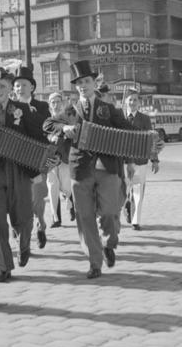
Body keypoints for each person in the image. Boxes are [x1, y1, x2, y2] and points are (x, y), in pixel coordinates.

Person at [64, 60, 134, 279]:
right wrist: (63, 127)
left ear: (94, 83)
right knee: (85, 217)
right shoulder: (70, 110)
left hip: (107, 168)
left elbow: (128, 131)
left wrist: (149, 141)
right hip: (80, 169)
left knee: (110, 213)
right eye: (79, 83)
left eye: (86, 81)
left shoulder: (108, 109)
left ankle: (109, 243)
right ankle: (95, 263)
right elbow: (49, 124)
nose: (83, 86)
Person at [0, 62, 44, 282]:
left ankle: (24, 245)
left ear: (9, 87)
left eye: (2, 86)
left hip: (19, 170)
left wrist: (41, 163)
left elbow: (37, 138)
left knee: (23, 217)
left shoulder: (23, 110)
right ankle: (4, 266)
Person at [12, 66, 50, 249]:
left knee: (36, 199)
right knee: (19, 201)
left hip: (37, 159)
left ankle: (41, 224)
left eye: (24, 85)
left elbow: (46, 128)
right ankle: (20, 234)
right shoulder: (10, 107)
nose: (20, 88)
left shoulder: (41, 107)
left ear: (32, 87)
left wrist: (28, 112)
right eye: (17, 85)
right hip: (17, 160)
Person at [123, 90, 161, 231]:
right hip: (123, 161)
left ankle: (136, 221)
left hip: (140, 161)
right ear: (125, 101)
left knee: (138, 191)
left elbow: (151, 140)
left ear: (139, 102)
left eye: (135, 100)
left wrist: (155, 160)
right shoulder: (120, 117)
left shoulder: (145, 119)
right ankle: (126, 204)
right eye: (130, 99)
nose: (132, 102)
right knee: (123, 190)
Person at [43, 92, 76, 227]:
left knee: (66, 186)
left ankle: (71, 201)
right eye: (53, 102)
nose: (56, 105)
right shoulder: (47, 121)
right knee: (52, 186)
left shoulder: (68, 120)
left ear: (62, 104)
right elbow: (44, 133)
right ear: (50, 105)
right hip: (50, 159)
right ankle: (55, 218)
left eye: (58, 102)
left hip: (65, 158)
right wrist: (50, 138)